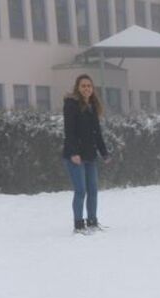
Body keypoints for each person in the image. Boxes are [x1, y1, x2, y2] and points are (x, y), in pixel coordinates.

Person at [62, 74, 109, 234]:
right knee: (81, 191)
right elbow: (69, 131)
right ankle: (78, 224)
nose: (86, 88)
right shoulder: (71, 105)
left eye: (89, 86)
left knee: (93, 190)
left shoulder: (92, 106)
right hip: (75, 156)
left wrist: (104, 152)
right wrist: (74, 153)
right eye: (83, 86)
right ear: (78, 87)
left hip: (90, 155)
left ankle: (92, 221)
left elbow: (97, 133)